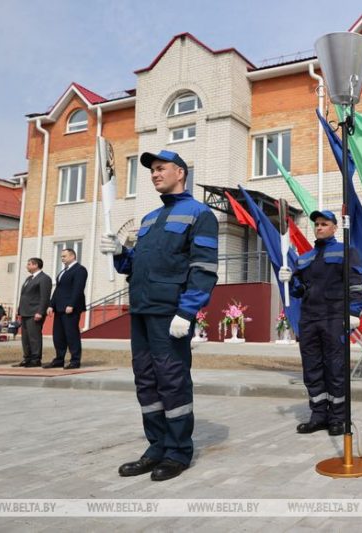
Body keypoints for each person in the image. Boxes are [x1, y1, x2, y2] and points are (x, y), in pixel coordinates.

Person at [100, 149, 218, 482]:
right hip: (141, 309)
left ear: (180, 172)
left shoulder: (200, 214)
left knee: (172, 380)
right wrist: (119, 252)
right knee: (147, 381)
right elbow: (135, 264)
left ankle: (178, 451)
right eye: (151, 169)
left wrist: (187, 311)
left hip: (170, 313)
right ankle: (156, 447)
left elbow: (204, 268)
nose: (154, 174)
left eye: (160, 168)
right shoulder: (150, 219)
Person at [278, 210, 362, 436]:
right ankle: (318, 416)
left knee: (335, 368)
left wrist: (354, 312)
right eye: (316, 224)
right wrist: (289, 280)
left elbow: (356, 284)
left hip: (334, 318)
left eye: (324, 224)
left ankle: (338, 418)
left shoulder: (346, 251)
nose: (319, 227)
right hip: (309, 319)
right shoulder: (304, 258)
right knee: (312, 369)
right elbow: (300, 290)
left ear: (335, 227)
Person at [44, 248, 88, 369]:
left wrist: (71, 304)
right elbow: (58, 289)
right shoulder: (64, 271)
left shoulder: (80, 270)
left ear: (72, 256)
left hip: (70, 308)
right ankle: (59, 359)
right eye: (61, 256)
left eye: (64, 256)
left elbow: (78, 288)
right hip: (59, 307)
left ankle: (75, 360)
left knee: (71, 334)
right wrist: (51, 305)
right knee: (58, 335)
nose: (62, 258)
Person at [14, 258, 52, 368]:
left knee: (34, 336)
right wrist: (20, 309)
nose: (27, 266)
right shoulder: (29, 278)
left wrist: (40, 312)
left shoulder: (44, 278)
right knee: (25, 337)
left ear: (36, 265)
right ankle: (27, 358)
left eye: (29, 264)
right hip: (25, 311)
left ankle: (36, 359)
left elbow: (45, 297)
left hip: (34, 312)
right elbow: (25, 295)